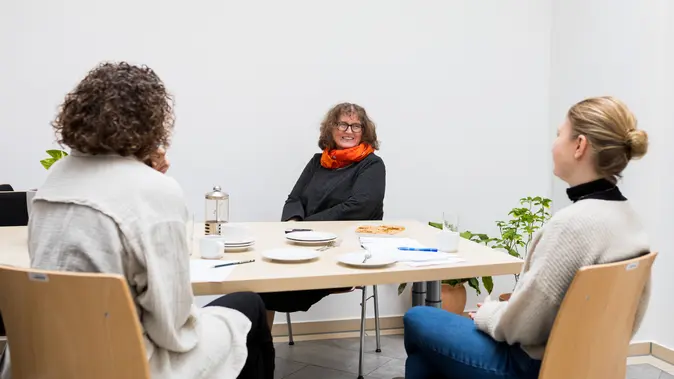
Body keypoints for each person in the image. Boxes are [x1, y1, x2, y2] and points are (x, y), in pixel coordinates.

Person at [14, 62, 274, 379]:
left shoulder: (54, 180)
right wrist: (153, 182)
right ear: (151, 121)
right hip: (125, 364)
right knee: (249, 307)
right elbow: (171, 330)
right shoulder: (154, 190)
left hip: (51, 359)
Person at [403, 96, 651, 379]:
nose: (554, 144)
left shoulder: (573, 226)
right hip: (585, 364)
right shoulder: (630, 219)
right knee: (427, 357)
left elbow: (521, 328)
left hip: (529, 367)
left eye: (560, 135)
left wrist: (488, 313)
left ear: (579, 145)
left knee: (418, 317)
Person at [259, 103, 386, 327]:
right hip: (303, 245)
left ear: (364, 131)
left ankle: (260, 356)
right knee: (259, 281)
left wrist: (306, 227)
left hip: (344, 251)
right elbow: (294, 199)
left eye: (356, 126)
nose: (349, 131)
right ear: (331, 129)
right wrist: (293, 223)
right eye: (342, 124)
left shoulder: (372, 164)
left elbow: (360, 206)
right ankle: (260, 352)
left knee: (265, 291)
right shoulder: (317, 162)